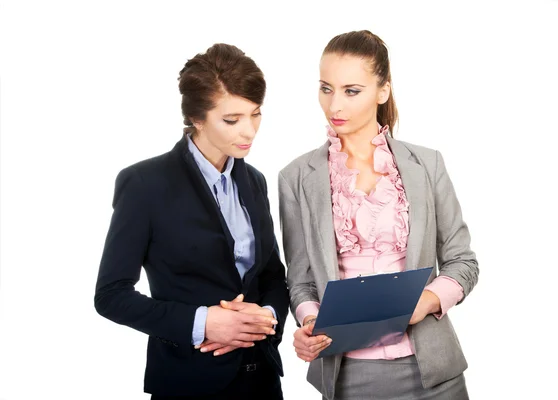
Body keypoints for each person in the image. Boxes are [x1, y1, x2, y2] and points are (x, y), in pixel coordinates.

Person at [278, 30, 478, 400]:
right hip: (348, 374)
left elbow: (462, 262)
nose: (335, 105)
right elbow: (301, 280)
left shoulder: (427, 164)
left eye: (351, 91)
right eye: (326, 88)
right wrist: (309, 322)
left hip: (433, 372)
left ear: (382, 91)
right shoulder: (296, 178)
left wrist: (426, 302)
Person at [94, 43, 288, 399]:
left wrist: (265, 317)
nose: (249, 131)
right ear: (197, 119)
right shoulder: (144, 184)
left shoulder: (254, 180)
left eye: (255, 114)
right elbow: (111, 295)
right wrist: (204, 323)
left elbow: (273, 276)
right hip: (188, 381)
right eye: (232, 120)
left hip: (261, 379)